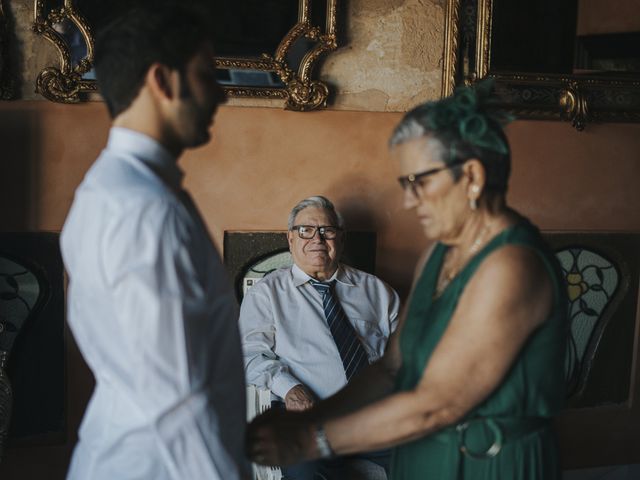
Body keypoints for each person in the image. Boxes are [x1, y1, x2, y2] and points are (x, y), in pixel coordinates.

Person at [246, 81, 568, 480]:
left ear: (471, 177)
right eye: (405, 184)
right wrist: (312, 419)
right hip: (426, 448)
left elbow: (439, 404)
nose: (409, 200)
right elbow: (391, 367)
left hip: (490, 461)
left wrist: (312, 442)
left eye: (421, 182)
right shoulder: (439, 253)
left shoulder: (512, 266)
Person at [60, 4, 250, 480]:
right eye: (208, 75)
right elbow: (177, 401)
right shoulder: (147, 209)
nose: (220, 96)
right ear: (163, 82)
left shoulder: (108, 188)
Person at [239, 195, 400, 479]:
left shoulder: (376, 291)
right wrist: (288, 388)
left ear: (341, 237)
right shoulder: (267, 293)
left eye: (327, 230)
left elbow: (405, 350)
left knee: (430, 458)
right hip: (308, 420)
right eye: (305, 230)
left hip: (375, 417)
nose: (317, 238)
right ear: (291, 239)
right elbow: (249, 354)